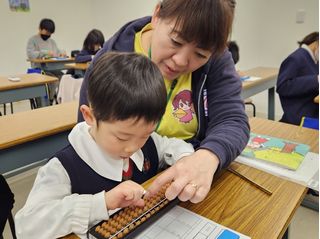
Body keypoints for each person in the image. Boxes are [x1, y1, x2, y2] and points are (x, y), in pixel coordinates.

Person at [78, 0, 250, 204]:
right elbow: (91, 138)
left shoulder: (217, 61)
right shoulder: (111, 59)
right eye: (176, 41)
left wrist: (207, 156)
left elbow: (233, 119)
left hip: (184, 187)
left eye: (200, 54)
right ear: (157, 15)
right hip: (124, 189)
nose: (181, 61)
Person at [15, 52, 194, 238]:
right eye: (122, 138)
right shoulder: (64, 167)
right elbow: (26, 226)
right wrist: (102, 203)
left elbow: (174, 147)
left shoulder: (147, 143)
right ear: (90, 117)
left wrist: (186, 162)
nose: (133, 147)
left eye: (145, 135)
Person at [277, 32, 319, 125]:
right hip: (302, 115)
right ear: (316, 43)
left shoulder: (313, 59)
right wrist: (316, 80)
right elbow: (282, 86)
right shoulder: (296, 58)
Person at [26, 18, 66, 105]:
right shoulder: (32, 40)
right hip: (39, 69)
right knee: (53, 80)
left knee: (64, 77)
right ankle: (49, 101)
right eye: (47, 32)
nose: (48, 34)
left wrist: (62, 53)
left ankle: (59, 99)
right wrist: (45, 53)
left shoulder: (51, 42)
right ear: (40, 29)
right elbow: (30, 55)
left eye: (50, 33)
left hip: (52, 68)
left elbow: (57, 52)